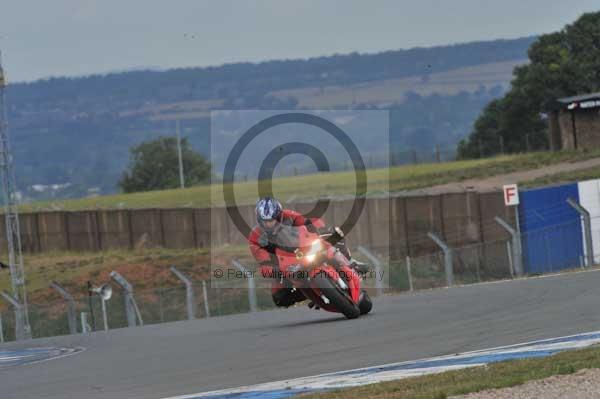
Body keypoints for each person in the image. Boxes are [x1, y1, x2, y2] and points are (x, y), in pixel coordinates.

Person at [248, 197, 367, 308]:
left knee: (333, 236)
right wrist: (273, 270)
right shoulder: (255, 237)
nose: (269, 224)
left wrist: (318, 230)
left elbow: (309, 221)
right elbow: (263, 261)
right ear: (259, 220)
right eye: (265, 221)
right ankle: (313, 294)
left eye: (272, 220)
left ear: (279, 216)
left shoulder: (289, 216)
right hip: (285, 263)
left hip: (303, 247)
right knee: (279, 297)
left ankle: (350, 262)